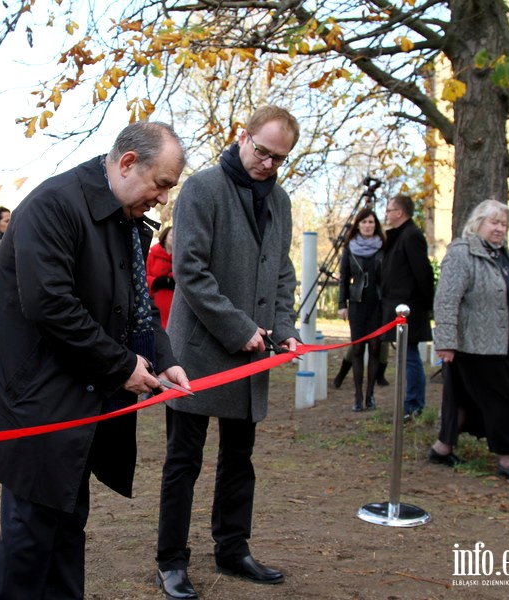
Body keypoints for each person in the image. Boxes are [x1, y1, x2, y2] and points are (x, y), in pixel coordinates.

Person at [0, 121, 189, 600]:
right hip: (33, 400)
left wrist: (159, 357)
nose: (163, 199)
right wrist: (122, 366)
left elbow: (134, 299)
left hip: (75, 400)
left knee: (65, 528)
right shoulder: (55, 205)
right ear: (128, 163)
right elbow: (51, 305)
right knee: (29, 538)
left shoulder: (122, 217)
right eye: (161, 184)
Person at [155, 106, 300, 600]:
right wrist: (240, 330)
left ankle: (233, 549)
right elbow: (191, 271)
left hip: (254, 354)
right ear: (243, 137)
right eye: (263, 152)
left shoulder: (279, 201)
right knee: (183, 462)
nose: (269, 164)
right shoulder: (202, 187)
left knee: (241, 460)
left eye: (280, 158)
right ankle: (171, 561)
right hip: (198, 353)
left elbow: (282, 273)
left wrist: (284, 331)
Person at [428, 199, 509, 484]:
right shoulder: (463, 253)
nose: (499, 229)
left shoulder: (503, 254)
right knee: (499, 402)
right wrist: (445, 342)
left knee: (461, 398)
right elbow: (446, 300)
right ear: (477, 223)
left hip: (503, 341)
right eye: (494, 222)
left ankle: (442, 449)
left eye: (504, 224)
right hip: (474, 344)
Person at [381, 194, 434, 421]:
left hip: (409, 308)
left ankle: (413, 404)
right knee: (406, 356)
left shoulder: (412, 236)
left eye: (390, 210)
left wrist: (422, 306)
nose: (387, 214)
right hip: (398, 305)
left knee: (410, 357)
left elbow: (423, 274)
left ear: (400, 212)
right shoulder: (400, 236)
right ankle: (410, 402)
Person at [337, 207, 385, 412]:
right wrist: (342, 305)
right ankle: (357, 396)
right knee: (357, 348)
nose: (367, 226)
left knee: (375, 348)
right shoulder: (349, 248)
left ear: (376, 225)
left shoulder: (383, 247)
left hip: (378, 304)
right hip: (357, 303)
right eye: (364, 222)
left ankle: (370, 395)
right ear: (358, 225)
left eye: (371, 222)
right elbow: (343, 279)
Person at [146, 225, 175, 328]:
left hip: (174, 305)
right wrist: (158, 281)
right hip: (155, 303)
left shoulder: (181, 257)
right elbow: (144, 276)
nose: (175, 237)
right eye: (172, 235)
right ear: (165, 236)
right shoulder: (152, 255)